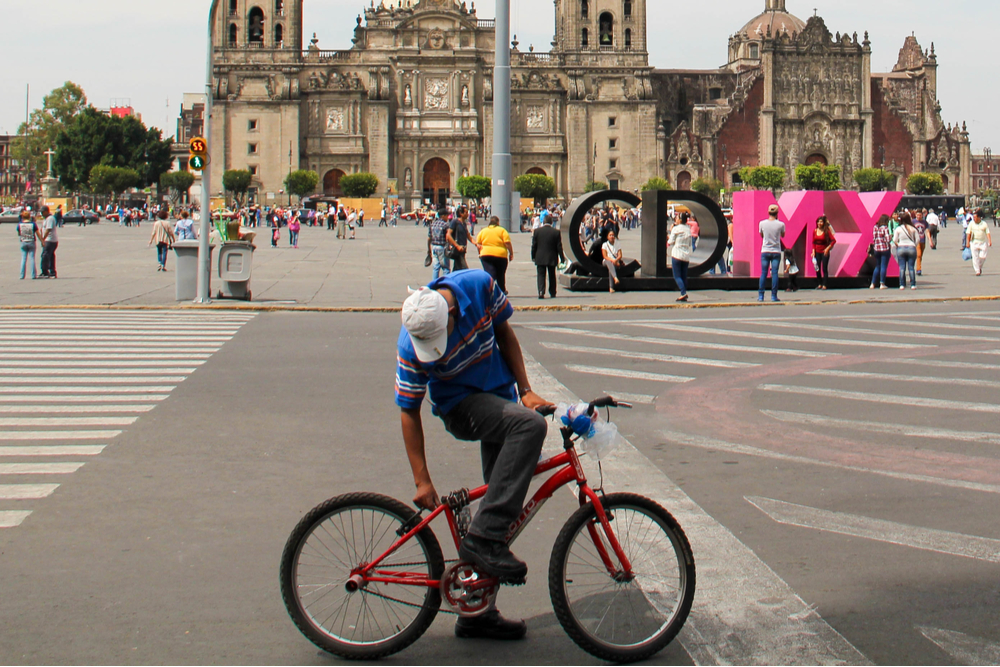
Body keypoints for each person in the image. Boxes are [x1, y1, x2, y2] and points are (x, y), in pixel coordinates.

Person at [395, 272, 554, 640]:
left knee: (500, 507)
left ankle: (477, 610)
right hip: (461, 407)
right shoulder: (411, 343)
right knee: (530, 428)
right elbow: (408, 409)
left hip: (500, 397)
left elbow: (505, 333)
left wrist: (526, 390)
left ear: (452, 314)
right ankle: (483, 539)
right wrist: (422, 479)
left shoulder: (479, 287)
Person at [475, 216, 513, 294]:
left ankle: (487, 289)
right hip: (500, 255)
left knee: (489, 273)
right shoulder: (502, 230)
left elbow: (478, 243)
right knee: (501, 274)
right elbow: (507, 243)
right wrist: (511, 253)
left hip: (486, 254)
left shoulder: (483, 231)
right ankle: (501, 290)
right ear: (498, 222)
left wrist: (479, 252)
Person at [530, 212, 564, 299]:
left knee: (541, 275)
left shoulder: (537, 232)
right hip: (552, 257)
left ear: (543, 222)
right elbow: (559, 246)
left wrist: (533, 256)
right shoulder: (556, 232)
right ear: (551, 222)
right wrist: (562, 258)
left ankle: (541, 292)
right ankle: (552, 292)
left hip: (540, 256)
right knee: (552, 275)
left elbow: (534, 245)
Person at [758, 204, 785, 302]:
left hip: (765, 250)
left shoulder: (762, 223)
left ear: (768, 212)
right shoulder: (781, 224)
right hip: (776, 251)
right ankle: (774, 296)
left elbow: (761, 235)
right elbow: (783, 235)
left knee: (763, 273)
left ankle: (761, 295)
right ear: (777, 213)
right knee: (774, 273)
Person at [667, 214, 693, 302]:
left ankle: (683, 292)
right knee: (684, 276)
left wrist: (670, 232)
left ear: (680, 220)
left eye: (677, 218)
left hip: (677, 254)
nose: (675, 219)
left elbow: (670, 241)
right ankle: (683, 293)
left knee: (677, 276)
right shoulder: (688, 229)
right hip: (686, 255)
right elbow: (689, 244)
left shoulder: (676, 229)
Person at [892, 211, 919, 290]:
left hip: (901, 248)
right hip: (911, 248)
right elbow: (917, 239)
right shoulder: (913, 228)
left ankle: (902, 284)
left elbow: (894, 240)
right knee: (911, 267)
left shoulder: (898, 229)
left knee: (902, 267)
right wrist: (914, 245)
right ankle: (913, 284)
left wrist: (899, 245)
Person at [811, 216, 837, 290]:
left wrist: (827, 249)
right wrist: (813, 252)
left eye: (821, 222)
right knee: (817, 268)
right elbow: (813, 242)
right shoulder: (815, 231)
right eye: (818, 222)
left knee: (824, 268)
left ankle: (824, 284)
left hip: (824, 252)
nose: (819, 223)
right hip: (817, 251)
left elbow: (833, 241)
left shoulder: (826, 231)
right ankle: (819, 283)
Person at [17, 210, 42, 280]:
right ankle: (33, 275)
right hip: (31, 242)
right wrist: (42, 241)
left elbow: (19, 233)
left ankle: (22, 275)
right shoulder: (33, 224)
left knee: (23, 259)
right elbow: (38, 234)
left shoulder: (20, 224)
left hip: (23, 242)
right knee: (32, 258)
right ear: (29, 216)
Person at [967, 209, 992, 276]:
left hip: (983, 243)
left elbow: (987, 233)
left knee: (982, 257)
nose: (974, 219)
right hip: (974, 242)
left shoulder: (984, 224)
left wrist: (989, 241)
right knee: (975, 257)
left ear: (979, 217)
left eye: (975, 217)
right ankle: (977, 271)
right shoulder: (971, 224)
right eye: (973, 217)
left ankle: (979, 266)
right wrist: (967, 242)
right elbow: (968, 233)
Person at [870, 214, 892, 290]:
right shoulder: (885, 228)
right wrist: (890, 236)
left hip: (876, 249)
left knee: (877, 266)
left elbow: (874, 238)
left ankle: (872, 283)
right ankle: (882, 283)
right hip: (884, 249)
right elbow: (887, 240)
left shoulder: (875, 227)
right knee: (883, 266)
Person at [446, 206, 471, 272]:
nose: (468, 214)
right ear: (461, 213)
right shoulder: (455, 222)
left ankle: (452, 281)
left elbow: (468, 236)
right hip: (457, 250)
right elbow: (448, 235)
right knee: (464, 269)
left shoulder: (464, 223)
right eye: (466, 212)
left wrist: (476, 244)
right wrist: (457, 246)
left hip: (462, 249)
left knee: (457, 269)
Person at [428, 211, 451, 280]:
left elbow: (429, 238)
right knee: (445, 268)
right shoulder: (445, 225)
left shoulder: (433, 224)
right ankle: (446, 283)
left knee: (436, 267)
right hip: (442, 247)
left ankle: (434, 283)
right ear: (443, 216)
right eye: (447, 216)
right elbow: (448, 237)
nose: (448, 217)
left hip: (434, 247)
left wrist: (428, 249)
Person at [39, 205, 59, 279]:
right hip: (49, 240)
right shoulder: (46, 219)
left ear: (47, 211)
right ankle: (52, 272)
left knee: (45, 256)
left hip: (50, 240)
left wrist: (43, 239)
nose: (41, 213)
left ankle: (45, 272)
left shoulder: (50, 218)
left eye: (43, 212)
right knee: (50, 256)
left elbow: (48, 229)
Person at [913, 209, 928, 275]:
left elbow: (927, 230)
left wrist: (930, 240)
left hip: (923, 240)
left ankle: (918, 265)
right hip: (916, 241)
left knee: (920, 255)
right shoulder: (913, 221)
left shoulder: (924, 222)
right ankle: (918, 269)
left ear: (922, 215)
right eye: (918, 215)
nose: (919, 216)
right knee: (918, 255)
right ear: (916, 215)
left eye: (920, 215)